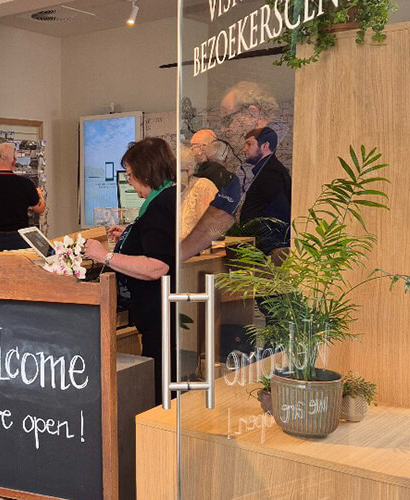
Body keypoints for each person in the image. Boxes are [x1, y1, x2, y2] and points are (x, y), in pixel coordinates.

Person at [83, 138, 177, 405]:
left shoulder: (160, 206)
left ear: (145, 173)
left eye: (131, 175)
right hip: (161, 314)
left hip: (159, 314)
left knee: (161, 384)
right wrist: (132, 234)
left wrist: (105, 255)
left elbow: (157, 266)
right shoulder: (167, 198)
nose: (130, 182)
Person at [181, 81, 279, 260]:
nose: (224, 130)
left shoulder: (267, 174)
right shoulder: (253, 171)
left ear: (253, 113)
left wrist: (180, 255)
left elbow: (220, 224)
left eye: (228, 119)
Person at [238, 127, 291, 256]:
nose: (244, 149)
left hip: (266, 253)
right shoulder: (273, 171)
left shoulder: (270, 175)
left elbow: (279, 214)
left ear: (265, 146)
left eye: (249, 144)